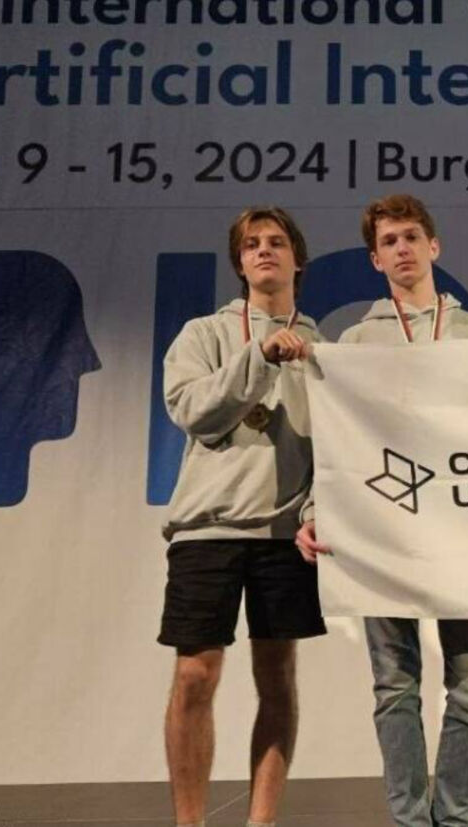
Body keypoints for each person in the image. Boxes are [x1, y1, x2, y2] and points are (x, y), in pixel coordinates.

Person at [296, 194, 468, 827]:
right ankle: (410, 820)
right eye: (389, 241)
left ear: (433, 246)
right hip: (382, 529)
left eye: (411, 236)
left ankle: (455, 819)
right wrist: (314, 507)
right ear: (375, 259)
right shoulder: (356, 341)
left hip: (466, 533)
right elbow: (337, 439)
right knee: (395, 687)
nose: (402, 249)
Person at [159, 207, 326, 827]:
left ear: (297, 260)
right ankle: (189, 823)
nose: (264, 251)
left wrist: (315, 510)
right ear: (239, 262)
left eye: (277, 242)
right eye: (251, 244)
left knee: (277, 679)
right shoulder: (203, 334)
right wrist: (261, 356)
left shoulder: (322, 348)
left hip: (283, 533)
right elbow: (194, 412)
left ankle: (261, 821)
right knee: (194, 676)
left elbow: (333, 449)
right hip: (208, 529)